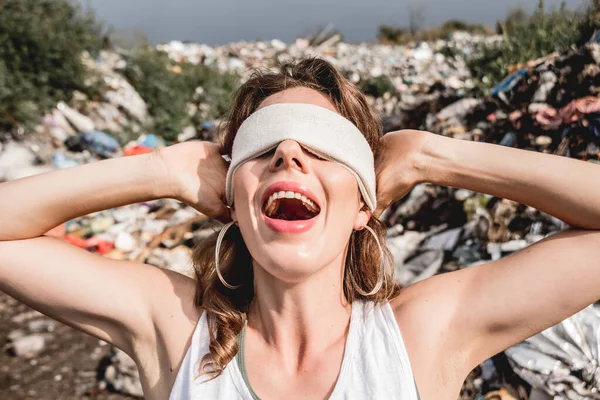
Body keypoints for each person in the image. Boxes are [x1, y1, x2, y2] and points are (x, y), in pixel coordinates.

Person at [1, 56, 600, 400]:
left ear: (365, 200)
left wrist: (427, 157)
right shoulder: (179, 330)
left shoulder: (421, 336)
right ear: (230, 198)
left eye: (324, 146)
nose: (289, 154)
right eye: (261, 146)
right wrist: (164, 170)